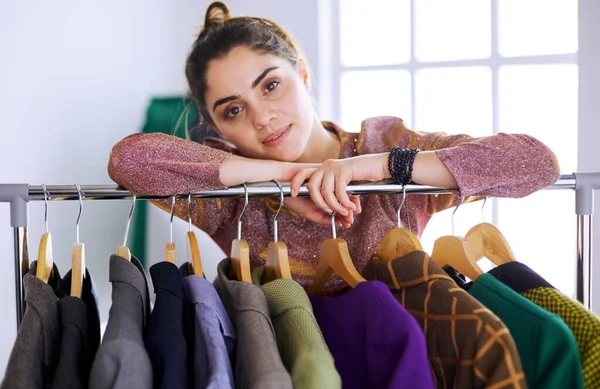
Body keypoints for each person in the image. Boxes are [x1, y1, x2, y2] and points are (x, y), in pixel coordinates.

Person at [108, 1, 560, 293]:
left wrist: (380, 165)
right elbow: (128, 160)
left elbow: (536, 163)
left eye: (270, 86)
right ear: (217, 127)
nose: (262, 117)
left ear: (302, 74)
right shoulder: (227, 195)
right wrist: (281, 179)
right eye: (233, 110)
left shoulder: (386, 145)